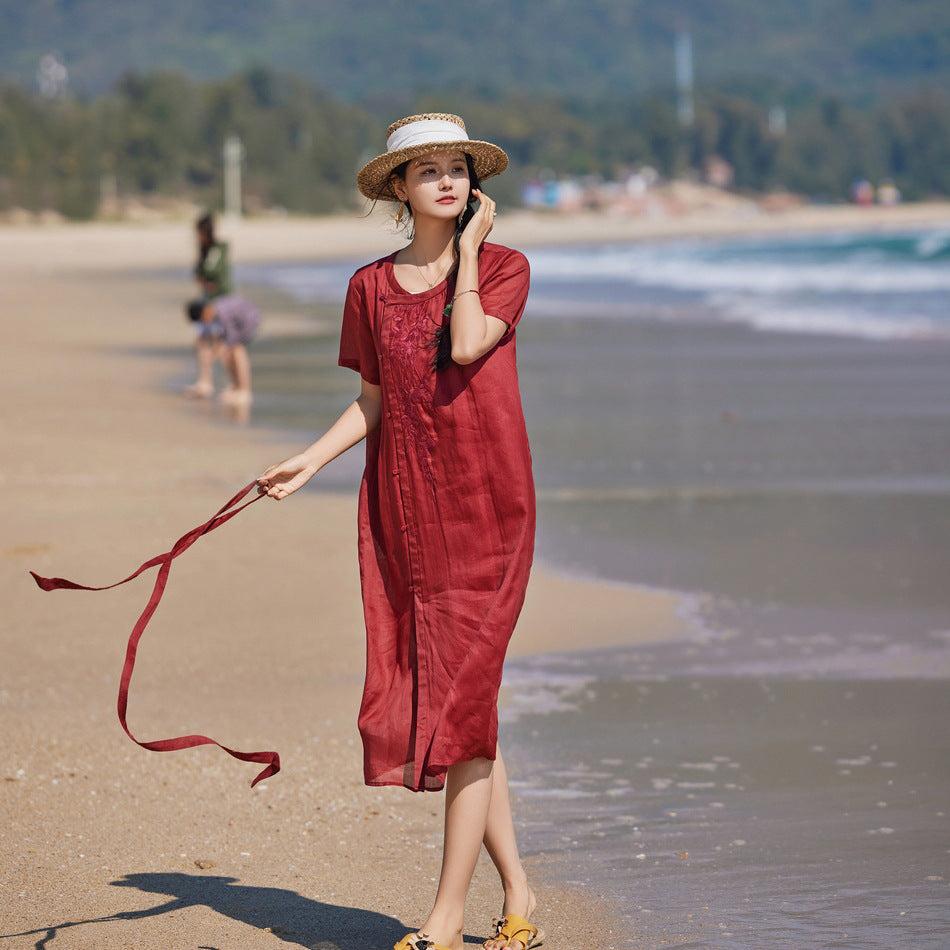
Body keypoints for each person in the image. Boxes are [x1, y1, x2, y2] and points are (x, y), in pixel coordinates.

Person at [257, 114, 542, 950]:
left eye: (459, 170)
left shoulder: (507, 270)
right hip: (408, 510)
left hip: (488, 508)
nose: (448, 183)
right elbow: (374, 401)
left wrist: (469, 258)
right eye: (428, 172)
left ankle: (445, 922)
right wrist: (308, 463)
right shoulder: (368, 288)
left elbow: (464, 342)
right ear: (399, 189)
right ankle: (519, 893)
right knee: (470, 714)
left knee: (463, 708)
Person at [185, 211, 231, 399]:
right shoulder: (204, 251)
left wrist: (205, 278)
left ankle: (232, 384)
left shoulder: (218, 248)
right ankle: (205, 382)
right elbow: (199, 274)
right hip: (207, 301)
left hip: (221, 301)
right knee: (202, 340)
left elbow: (214, 273)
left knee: (223, 344)